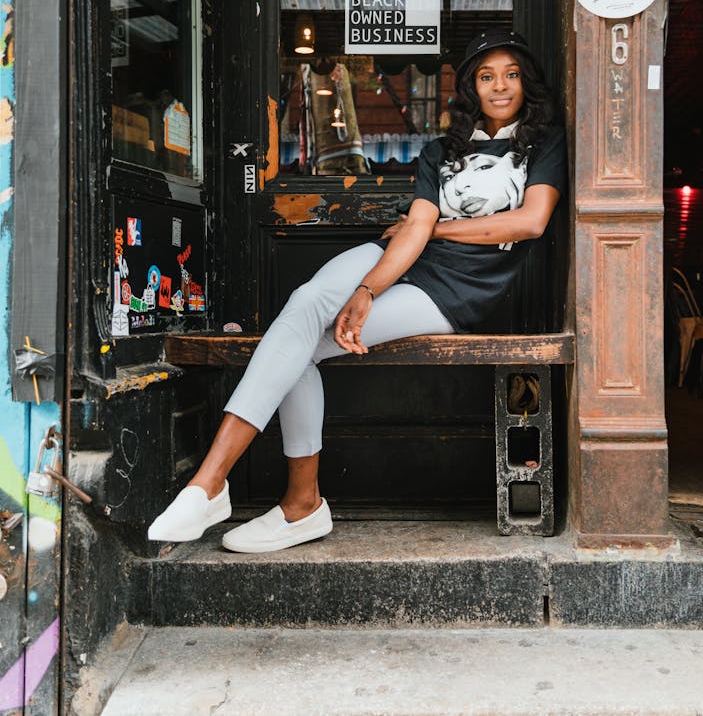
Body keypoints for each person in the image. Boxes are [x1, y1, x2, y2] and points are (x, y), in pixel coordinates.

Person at [148, 28, 567, 552]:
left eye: (510, 75)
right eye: (487, 77)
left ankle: (295, 506)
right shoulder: (442, 151)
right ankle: (211, 486)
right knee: (302, 311)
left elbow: (528, 223)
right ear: (471, 88)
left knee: (296, 347)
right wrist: (368, 289)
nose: (500, 87)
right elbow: (412, 230)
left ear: (525, 82)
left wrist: (436, 231)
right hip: (401, 257)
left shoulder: (543, 144)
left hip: (455, 291)